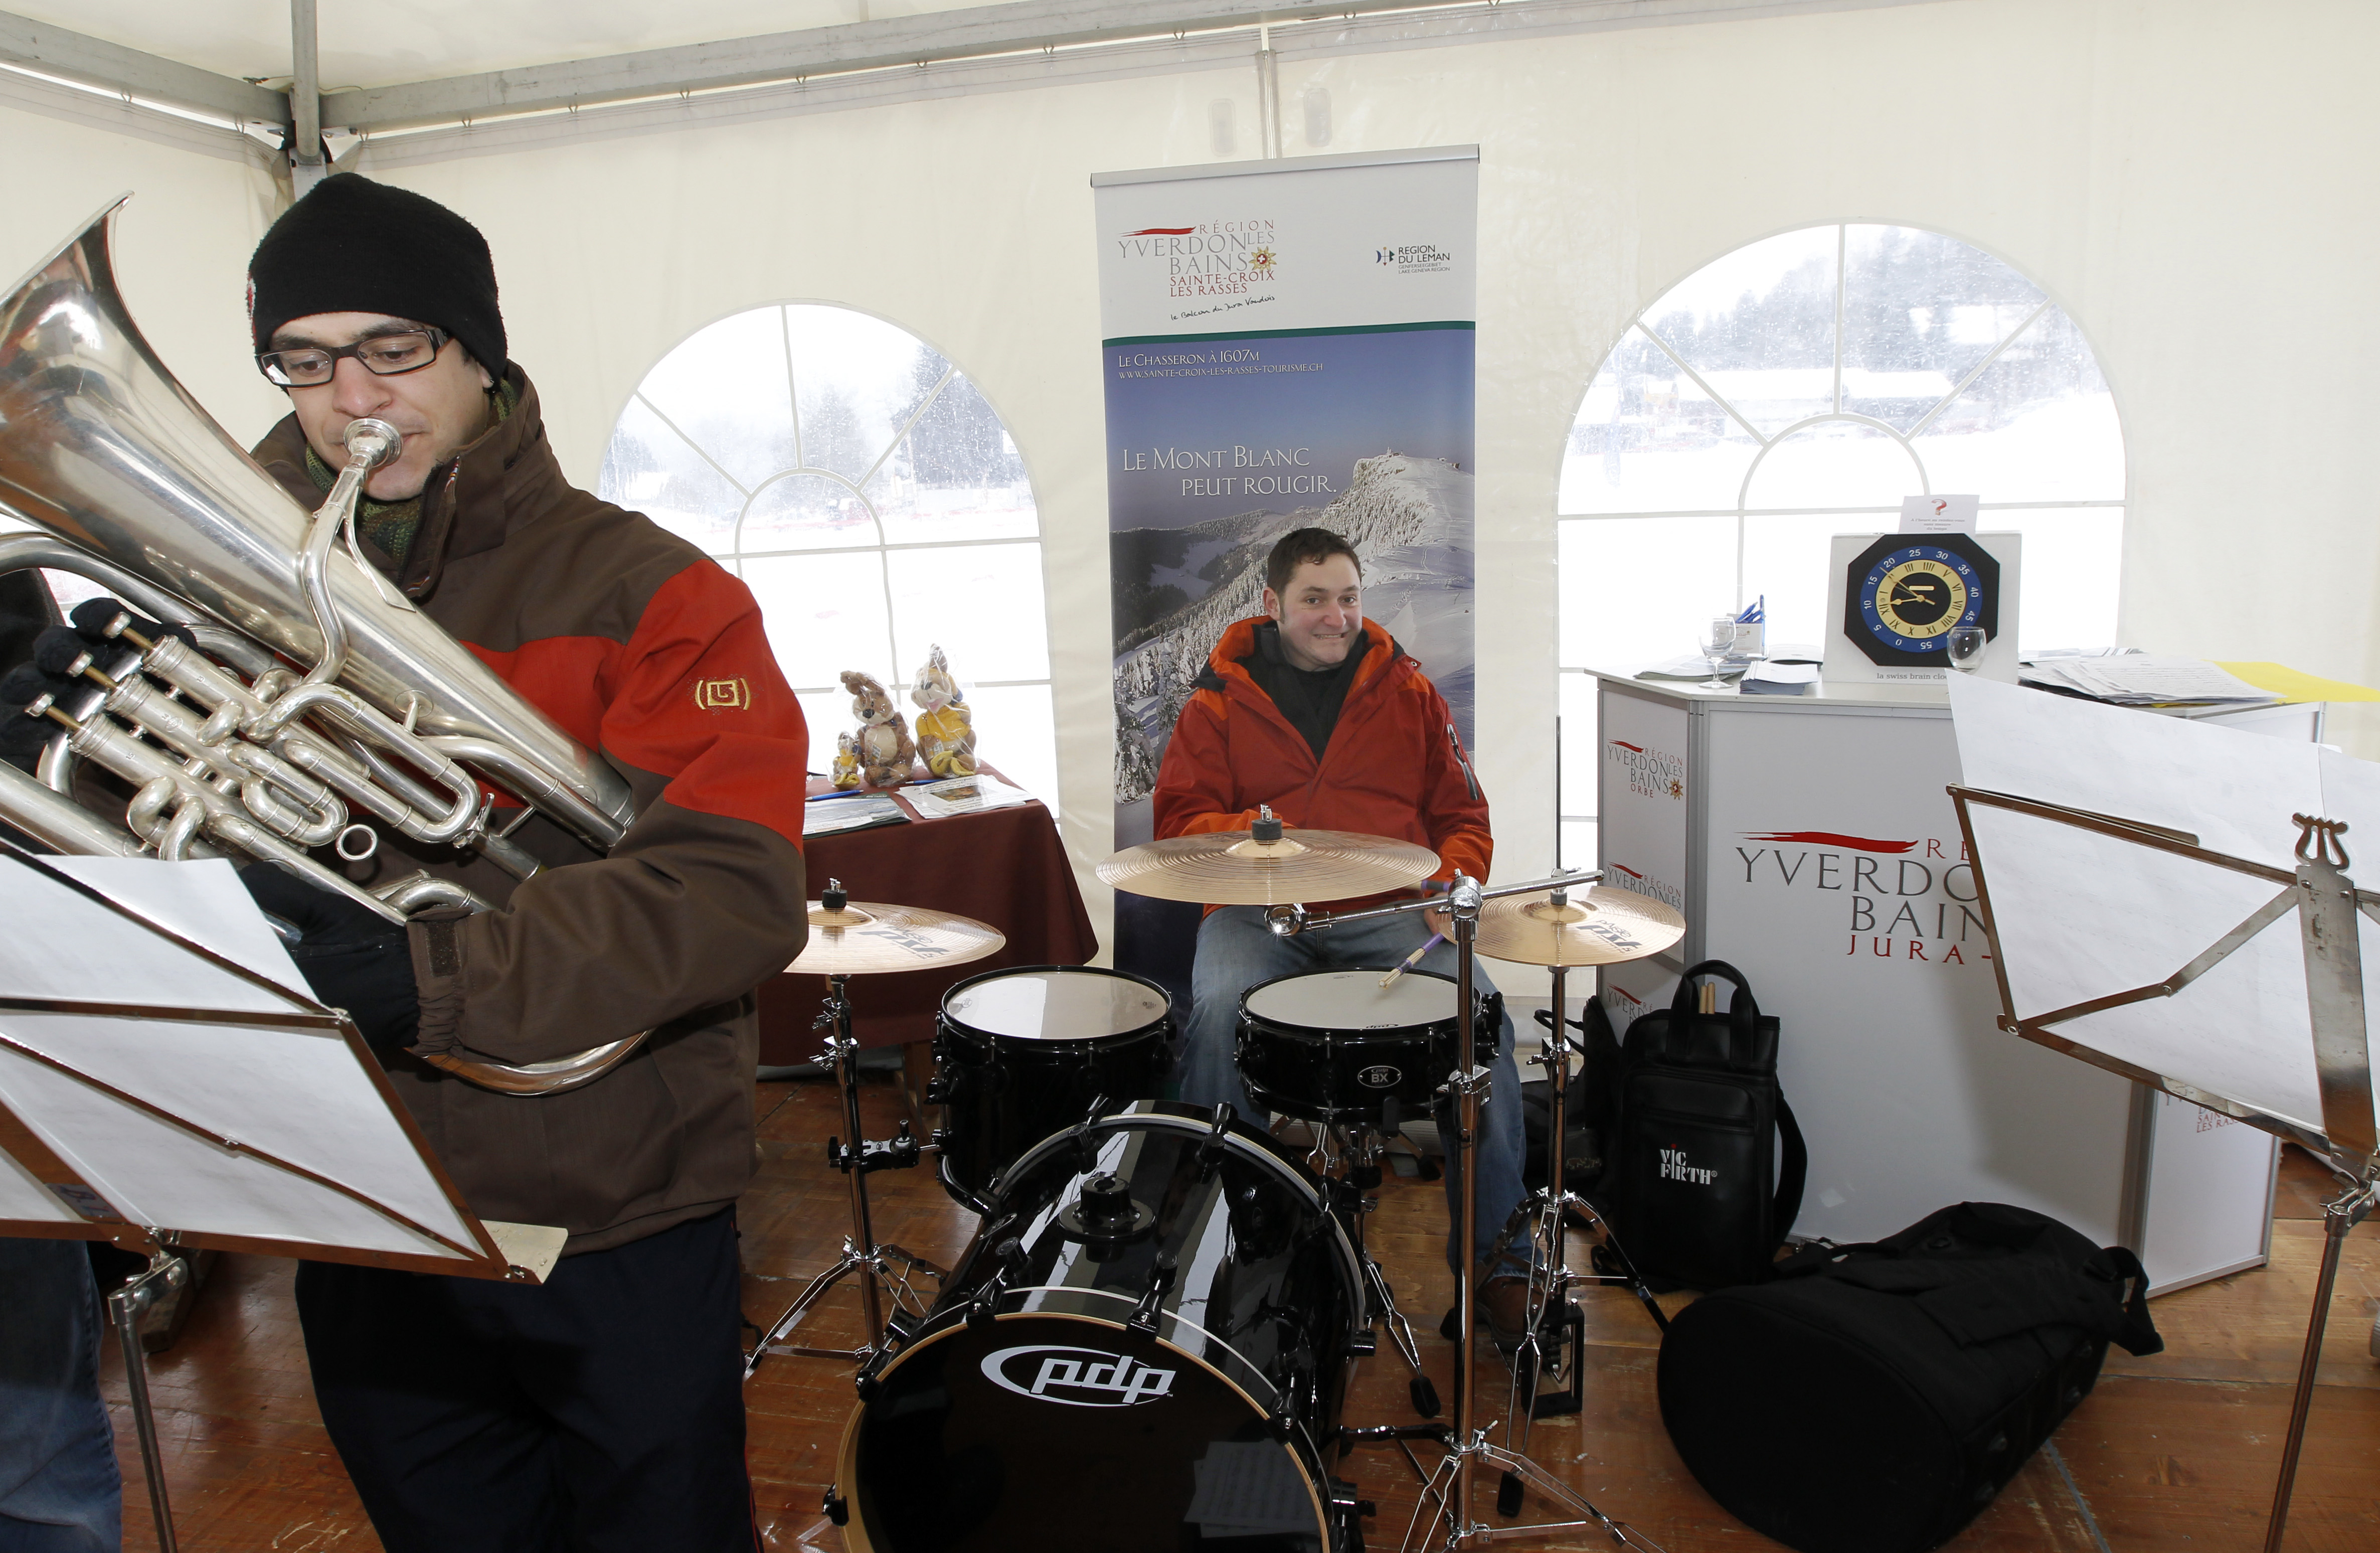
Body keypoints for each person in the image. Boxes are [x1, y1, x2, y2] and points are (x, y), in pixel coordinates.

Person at [110, 172, 798, 1552]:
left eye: (393, 349)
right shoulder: (218, 587)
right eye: (305, 361)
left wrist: (429, 976)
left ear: (479, 353)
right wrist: (78, 745)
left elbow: (728, 893)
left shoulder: (655, 592)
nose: (351, 398)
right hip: (361, 1197)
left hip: (613, 1203)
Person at [1152, 526, 1533, 1345]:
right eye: (1315, 599)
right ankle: (1218, 1244)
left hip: (1388, 909)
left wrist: (1454, 880)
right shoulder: (1217, 700)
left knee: (1483, 1026)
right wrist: (1257, 837)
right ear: (1272, 604)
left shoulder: (1409, 693)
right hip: (1258, 910)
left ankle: (1500, 1263)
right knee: (1217, 1014)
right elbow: (1179, 824)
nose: (1336, 616)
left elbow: (1463, 817)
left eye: (1349, 598)